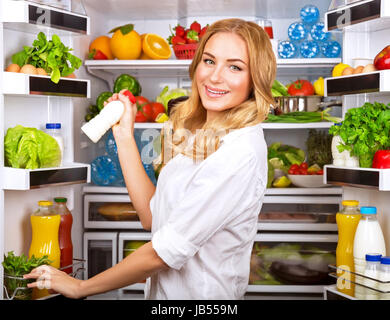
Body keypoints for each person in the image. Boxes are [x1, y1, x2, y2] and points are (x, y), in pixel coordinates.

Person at [24, 18, 276, 300]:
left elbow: (164, 252)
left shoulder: (238, 152)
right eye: (209, 61)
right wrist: (124, 136)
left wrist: (80, 287)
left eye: (235, 67)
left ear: (255, 80)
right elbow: (153, 216)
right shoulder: (203, 133)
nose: (215, 77)